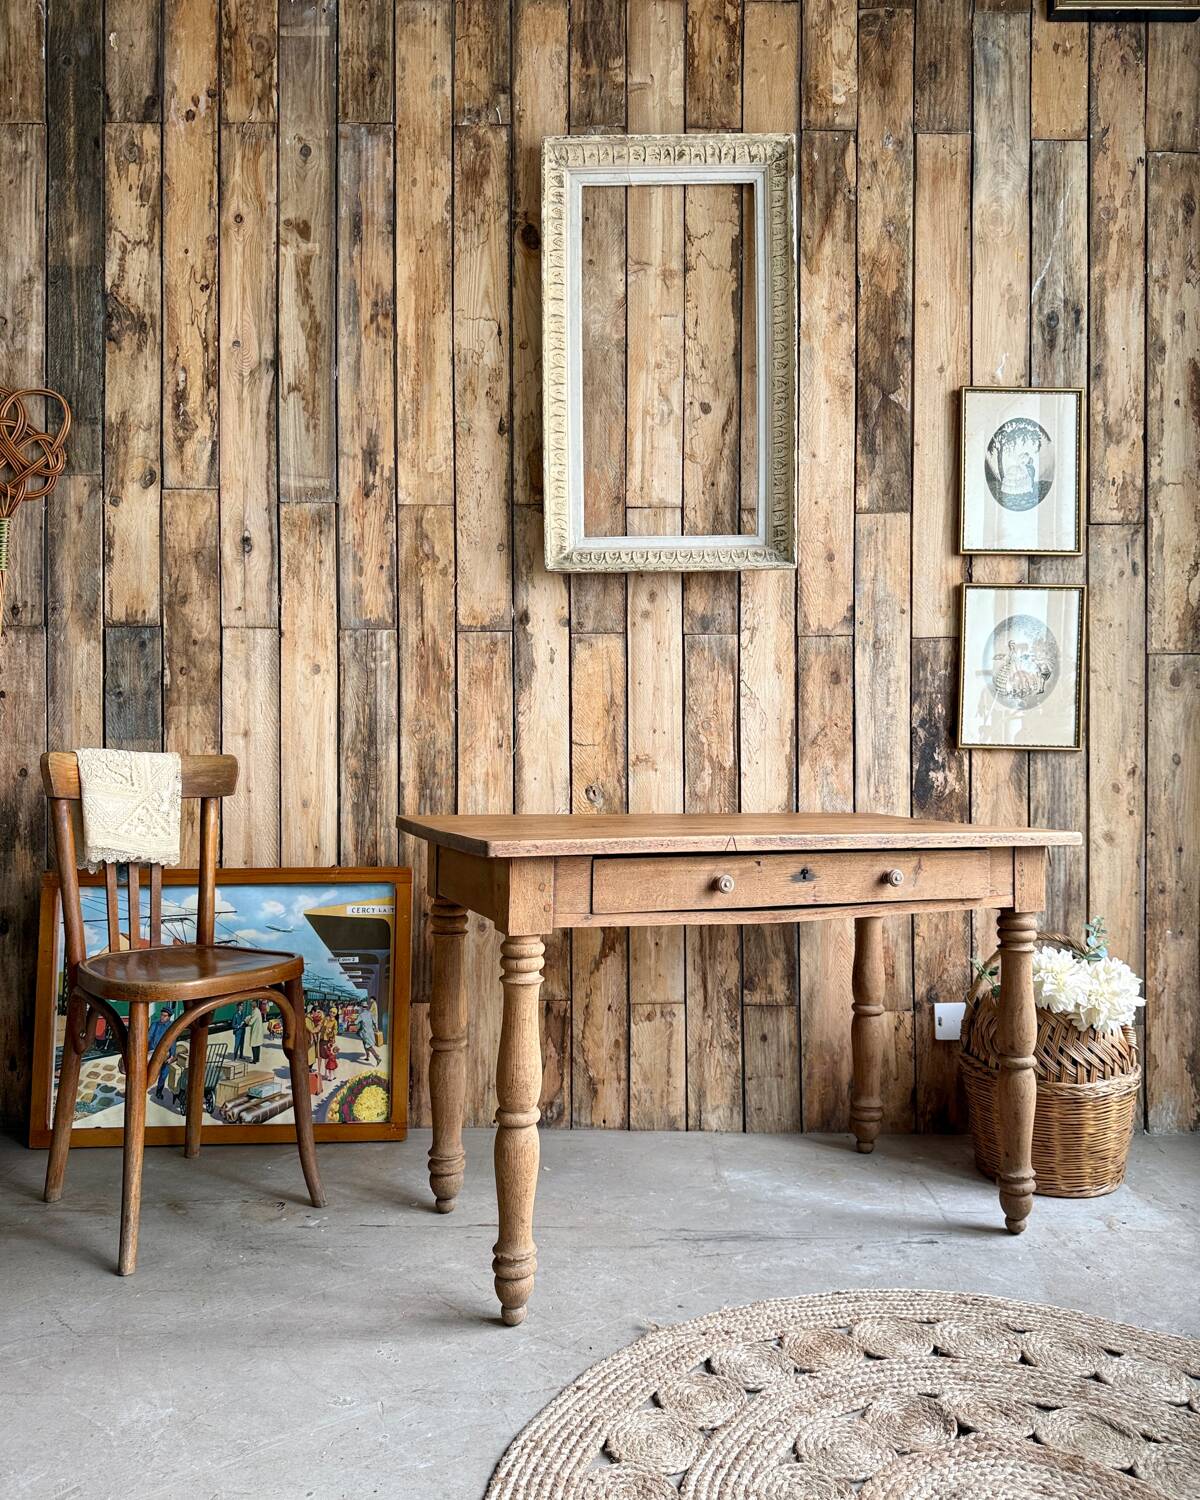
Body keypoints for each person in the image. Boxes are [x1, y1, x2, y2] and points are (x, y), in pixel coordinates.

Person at [147, 1006, 175, 1100]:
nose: (162, 1017)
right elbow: (149, 1037)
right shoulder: (155, 1024)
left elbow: (173, 1041)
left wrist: (172, 1055)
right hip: (153, 1052)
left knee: (164, 1074)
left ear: (169, 1017)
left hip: (165, 1054)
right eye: (161, 1015)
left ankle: (159, 1091)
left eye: (165, 1016)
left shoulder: (171, 1027)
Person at [356, 1000, 381, 1067]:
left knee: (368, 1046)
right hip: (371, 1032)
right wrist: (376, 1028)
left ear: (361, 1007)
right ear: (366, 1007)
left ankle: (377, 1058)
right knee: (365, 1044)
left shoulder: (361, 1015)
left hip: (365, 1033)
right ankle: (367, 1056)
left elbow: (356, 1022)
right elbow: (374, 1022)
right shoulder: (370, 1013)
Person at [245, 1000, 264, 1065]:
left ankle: (254, 1060)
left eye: (251, 1004)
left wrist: (246, 1021)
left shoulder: (255, 1011)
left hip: (256, 1031)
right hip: (257, 1030)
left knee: (254, 1045)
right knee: (257, 1045)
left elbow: (251, 1022)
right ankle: (257, 1058)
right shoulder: (257, 1010)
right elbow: (253, 1017)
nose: (251, 1006)